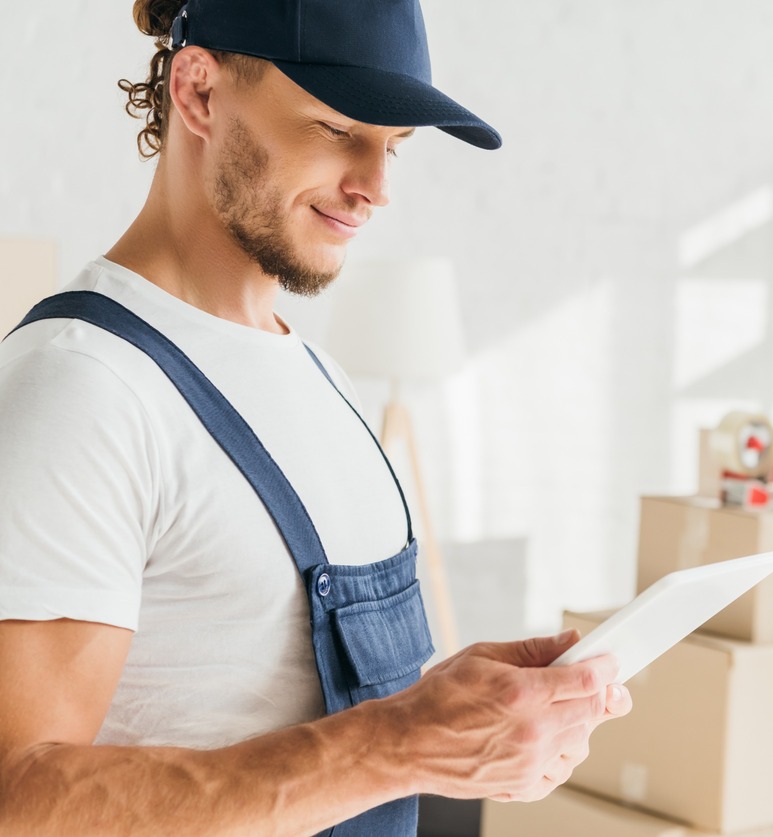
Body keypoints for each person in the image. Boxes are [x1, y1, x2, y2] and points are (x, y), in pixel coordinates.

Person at [0, 1, 630, 834]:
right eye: (337, 130)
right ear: (198, 94)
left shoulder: (319, 374)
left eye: (394, 147)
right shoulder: (84, 384)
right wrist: (400, 740)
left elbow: (287, 696)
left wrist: (469, 716)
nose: (375, 188)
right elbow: (21, 793)